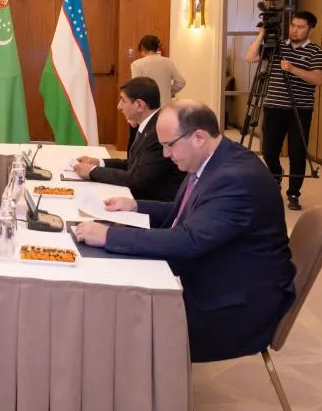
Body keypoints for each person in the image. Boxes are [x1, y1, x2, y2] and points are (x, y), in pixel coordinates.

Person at [74, 101, 296, 363]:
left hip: (234, 305)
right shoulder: (212, 160)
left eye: (169, 145)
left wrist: (109, 236)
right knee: (114, 288)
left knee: (114, 312)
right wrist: (135, 205)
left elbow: (190, 239)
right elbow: (186, 212)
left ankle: (133, 385)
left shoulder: (237, 178)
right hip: (214, 272)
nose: (165, 154)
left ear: (199, 137)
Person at [245, 10, 322, 210]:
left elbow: (319, 79)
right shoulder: (277, 47)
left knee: (297, 152)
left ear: (310, 29)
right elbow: (250, 57)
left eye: (300, 27)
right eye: (293, 25)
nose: (295, 30)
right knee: (269, 150)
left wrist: (292, 69)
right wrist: (262, 33)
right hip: (274, 106)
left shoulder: (316, 52)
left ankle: (293, 193)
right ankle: (276, 175)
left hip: (300, 109)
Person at [71, 77, 185, 201]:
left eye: (123, 100)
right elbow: (133, 164)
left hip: (153, 203)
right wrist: (99, 163)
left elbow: (137, 179)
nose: (119, 106)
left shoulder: (158, 131)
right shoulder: (151, 123)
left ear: (140, 105)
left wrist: (92, 171)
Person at [128, 35, 185, 150]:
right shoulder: (168, 62)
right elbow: (181, 82)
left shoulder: (137, 64)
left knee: (138, 142)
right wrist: (168, 91)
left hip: (145, 109)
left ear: (143, 47)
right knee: (161, 142)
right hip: (165, 108)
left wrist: (132, 117)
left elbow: (136, 89)